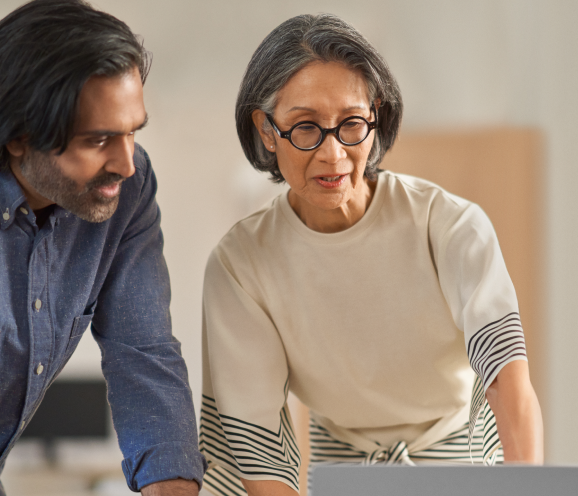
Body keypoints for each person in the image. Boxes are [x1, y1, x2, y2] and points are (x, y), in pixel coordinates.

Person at [198, 13, 544, 496]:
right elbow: (259, 449)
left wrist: (525, 489)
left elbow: (508, 383)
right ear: (266, 129)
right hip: (339, 477)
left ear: (376, 115)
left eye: (351, 124)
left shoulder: (448, 226)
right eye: (305, 128)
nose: (333, 154)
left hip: (458, 470)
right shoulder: (241, 265)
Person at [0, 1, 206, 495]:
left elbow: (143, 353)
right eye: (99, 139)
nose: (126, 163)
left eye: (132, 131)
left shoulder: (127, 190)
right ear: (18, 135)